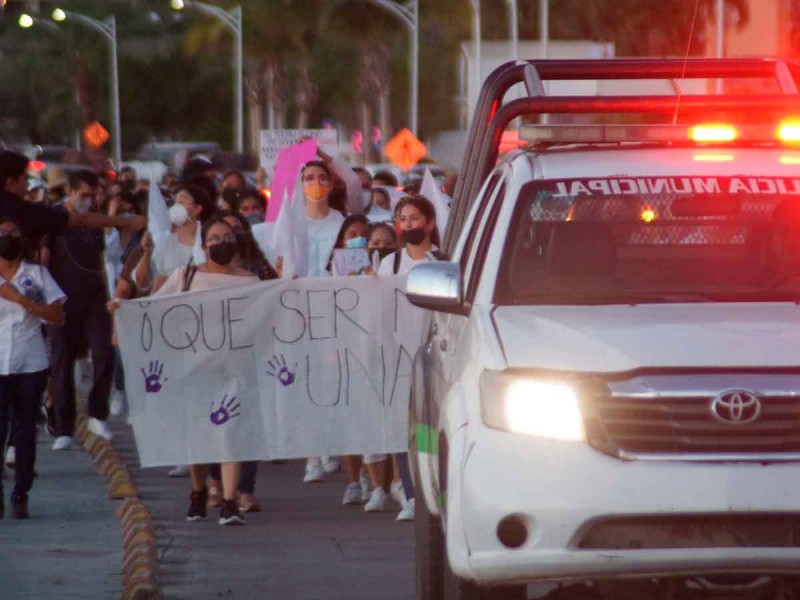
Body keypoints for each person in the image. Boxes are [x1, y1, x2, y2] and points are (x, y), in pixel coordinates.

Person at [127, 214, 259, 525]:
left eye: (227, 239)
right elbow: (154, 308)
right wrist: (122, 310)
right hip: (192, 370)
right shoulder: (185, 276)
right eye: (214, 238)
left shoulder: (250, 282)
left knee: (230, 436)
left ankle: (229, 502)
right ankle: (199, 490)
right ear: (203, 245)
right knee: (197, 436)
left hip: (232, 371)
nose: (221, 244)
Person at [375, 195, 442, 521]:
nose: (408, 224)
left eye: (415, 218)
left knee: (429, 424)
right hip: (400, 356)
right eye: (403, 218)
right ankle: (412, 493)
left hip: (437, 357)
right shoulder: (390, 265)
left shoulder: (444, 261)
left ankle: (433, 487)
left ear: (429, 223)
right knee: (405, 427)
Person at [0, 216, 66, 518]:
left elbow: (57, 316)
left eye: (13, 233)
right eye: (2, 234)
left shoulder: (35, 275)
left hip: (30, 362)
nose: (7, 238)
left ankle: (21, 491)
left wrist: (23, 301)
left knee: (25, 429)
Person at [46, 171, 117, 448]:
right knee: (61, 362)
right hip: (61, 299)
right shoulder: (54, 219)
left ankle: (98, 413)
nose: (88, 201)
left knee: (104, 352)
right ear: (71, 191)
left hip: (95, 298)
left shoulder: (98, 221)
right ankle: (64, 428)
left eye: (92, 195)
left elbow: (109, 257)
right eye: (83, 195)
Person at [0, 151, 147, 238]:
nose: (27, 183)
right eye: (24, 178)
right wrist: (126, 221)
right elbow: (80, 220)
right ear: (10, 182)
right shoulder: (21, 210)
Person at [150, 183, 215, 292]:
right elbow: (160, 282)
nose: (176, 206)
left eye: (182, 202)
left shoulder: (208, 240)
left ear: (197, 209)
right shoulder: (167, 241)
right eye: (175, 202)